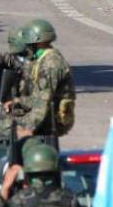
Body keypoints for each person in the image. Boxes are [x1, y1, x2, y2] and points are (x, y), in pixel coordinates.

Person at [9, 19, 75, 151]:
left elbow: (43, 101)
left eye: (29, 44)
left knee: (5, 132)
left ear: (37, 42)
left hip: (50, 119)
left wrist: (28, 128)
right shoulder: (42, 59)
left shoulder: (51, 63)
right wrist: (18, 101)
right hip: (44, 114)